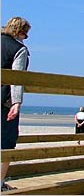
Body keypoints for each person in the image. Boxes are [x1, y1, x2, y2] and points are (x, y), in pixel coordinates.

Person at [1, 17, 31, 191]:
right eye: (25, 34)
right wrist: (16, 102)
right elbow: (17, 78)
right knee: (7, 142)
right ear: (19, 32)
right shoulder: (19, 49)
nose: (25, 38)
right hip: (5, 100)